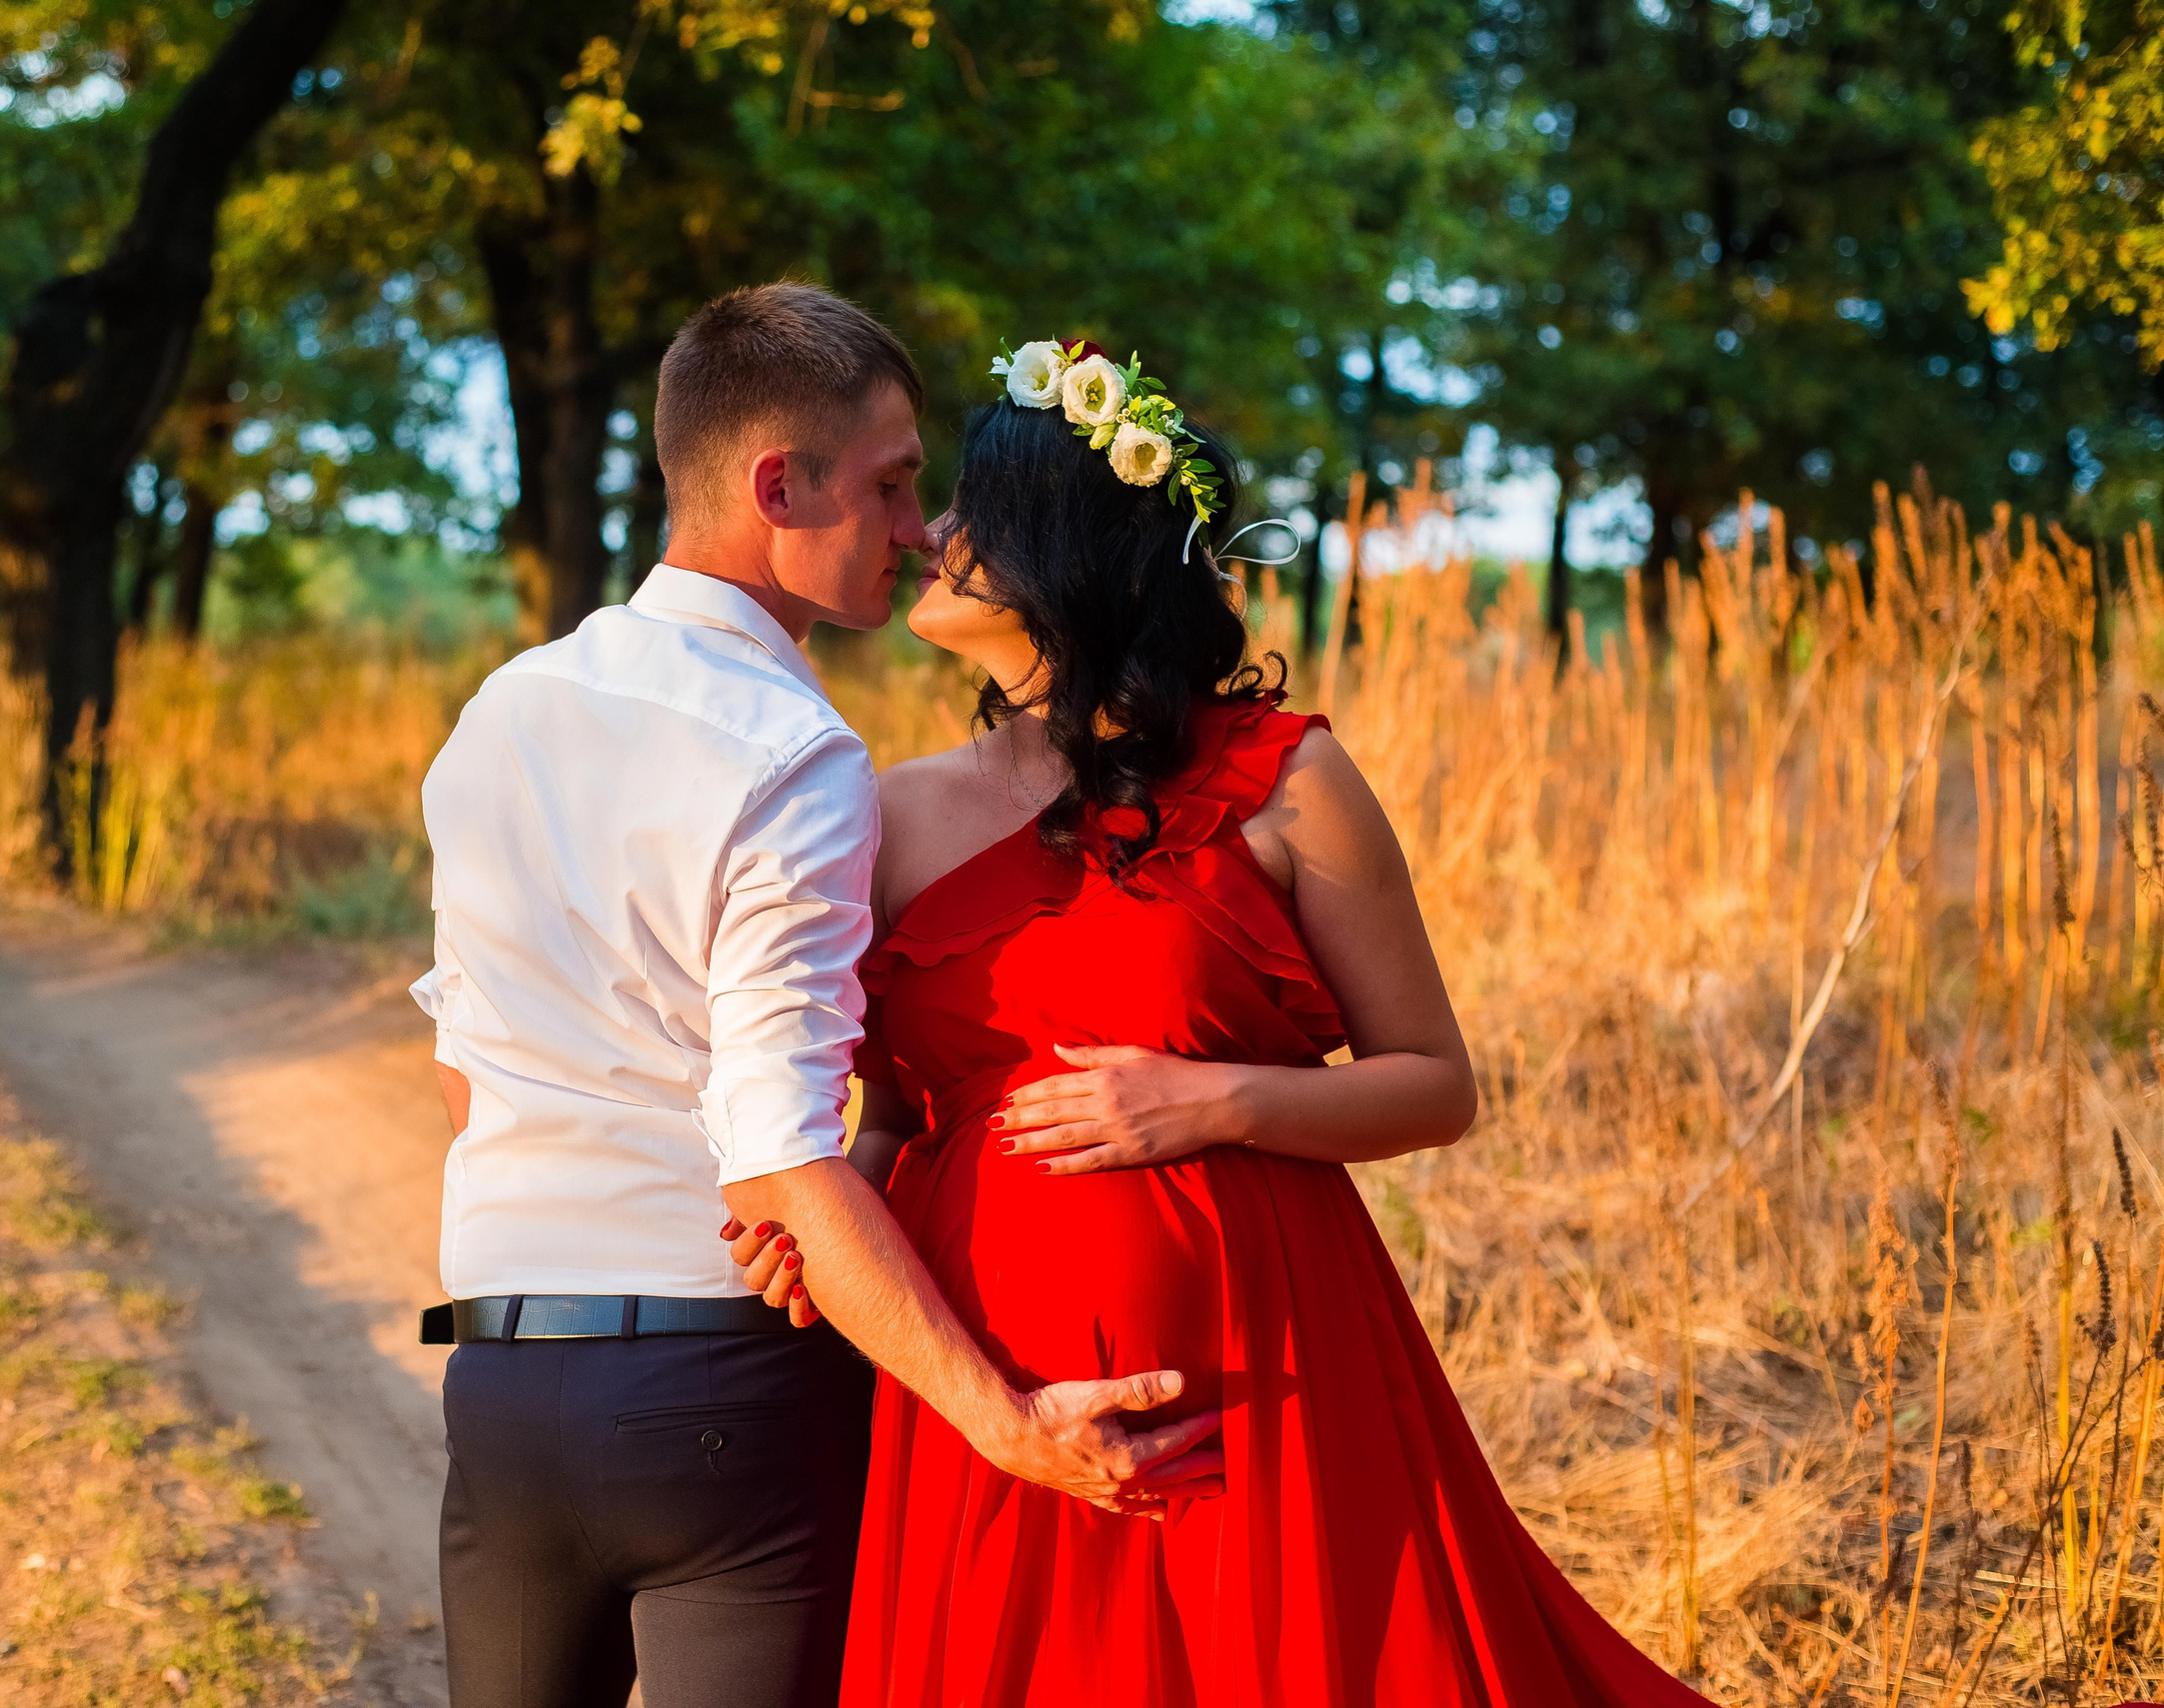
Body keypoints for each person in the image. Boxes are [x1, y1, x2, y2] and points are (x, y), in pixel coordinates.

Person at [727, 338, 1714, 1704]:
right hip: (991, 1384)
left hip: (1257, 1370)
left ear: (1066, 546)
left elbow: (1435, 1084)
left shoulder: (1287, 780)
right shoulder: (887, 813)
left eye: (970, 509)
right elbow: (890, 1119)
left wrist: (1215, 1099)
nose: (931, 534)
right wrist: (825, 1240)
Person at [409, 290, 1221, 1708]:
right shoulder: (792, 751)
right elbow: (777, 1149)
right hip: (721, 1395)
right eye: (893, 484)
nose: (918, 526)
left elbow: (463, 1074)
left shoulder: (502, 711)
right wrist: (1006, 1421)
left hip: (504, 1380)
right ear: (779, 485)